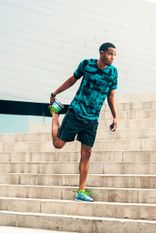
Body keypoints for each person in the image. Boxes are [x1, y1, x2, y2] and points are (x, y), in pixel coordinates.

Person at [49, 42, 118, 202]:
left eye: (114, 55)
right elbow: (72, 80)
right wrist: (55, 92)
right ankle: (54, 113)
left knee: (86, 154)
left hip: (92, 119)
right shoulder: (86, 64)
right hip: (76, 112)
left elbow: (111, 96)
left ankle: (81, 191)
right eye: (110, 54)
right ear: (101, 53)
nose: (112, 57)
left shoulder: (113, 72)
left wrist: (115, 117)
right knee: (58, 144)